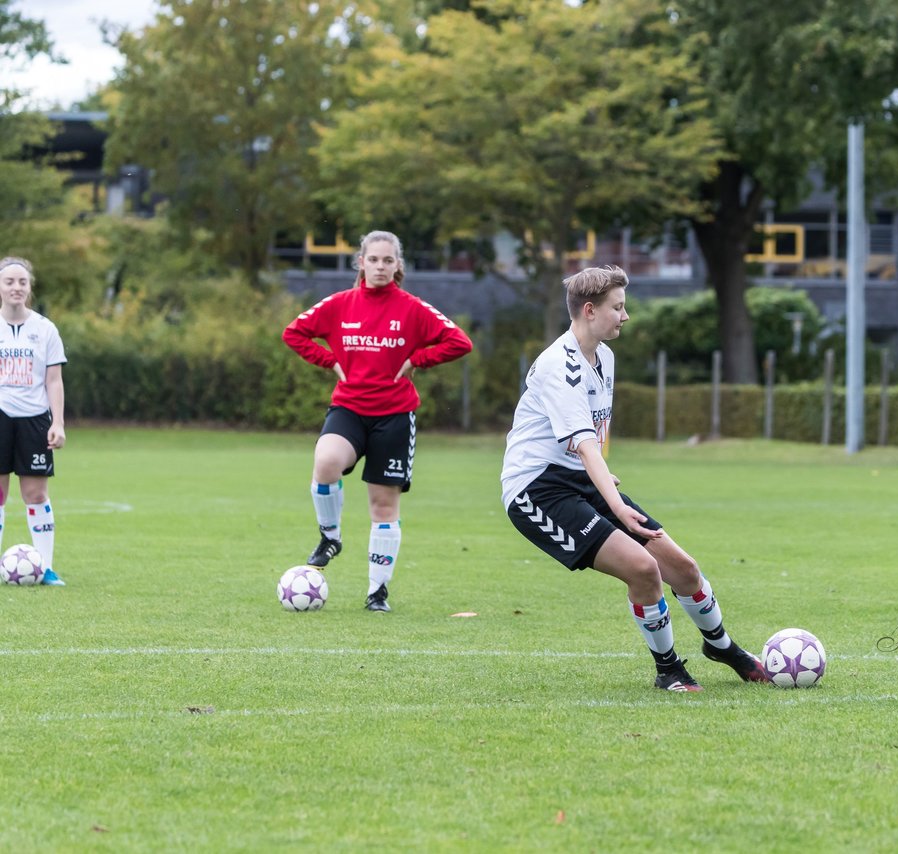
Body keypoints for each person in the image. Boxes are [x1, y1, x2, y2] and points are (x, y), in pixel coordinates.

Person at [500, 265, 768, 691]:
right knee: (644, 569)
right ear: (590, 310)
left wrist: (604, 480)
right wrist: (617, 504)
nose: (625, 316)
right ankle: (668, 670)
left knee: (683, 568)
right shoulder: (559, 366)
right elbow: (586, 445)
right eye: (618, 307)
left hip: (582, 480)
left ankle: (723, 647)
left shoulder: (603, 356)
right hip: (537, 491)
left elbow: (592, 440)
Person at [283, 230, 472, 611]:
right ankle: (330, 537)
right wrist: (329, 361)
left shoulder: (413, 308)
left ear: (397, 265)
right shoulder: (340, 305)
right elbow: (294, 333)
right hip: (349, 408)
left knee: (383, 508)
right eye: (374, 260)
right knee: (326, 463)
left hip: (394, 417)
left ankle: (377, 592)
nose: (381, 267)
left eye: (388, 261)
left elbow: (459, 342)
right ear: (361, 263)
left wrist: (417, 360)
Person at [0, 257, 67, 586]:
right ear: (0, 287)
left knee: (36, 494)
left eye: (22, 282)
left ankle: (47, 567)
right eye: (9, 281)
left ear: (29, 287)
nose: (16, 287)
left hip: (35, 419)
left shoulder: (45, 329)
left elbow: (53, 380)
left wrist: (58, 423)